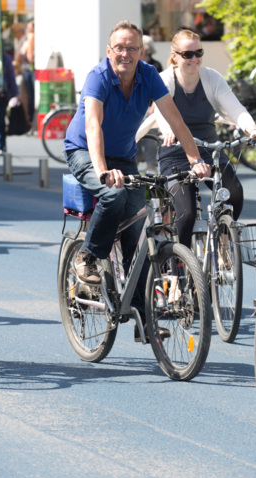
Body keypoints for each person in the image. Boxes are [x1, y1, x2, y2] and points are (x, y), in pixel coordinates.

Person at [62, 21, 210, 336]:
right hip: (85, 151)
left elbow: (176, 120)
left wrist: (195, 159)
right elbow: (92, 126)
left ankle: (145, 320)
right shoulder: (98, 77)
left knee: (139, 230)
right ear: (109, 51)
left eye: (132, 48)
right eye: (120, 47)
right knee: (113, 196)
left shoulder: (149, 76)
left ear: (141, 52)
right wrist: (102, 169)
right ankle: (88, 256)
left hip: (125, 157)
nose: (125, 53)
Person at [148, 28, 256, 248]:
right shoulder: (164, 80)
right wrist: (169, 129)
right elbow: (161, 112)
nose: (194, 59)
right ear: (174, 56)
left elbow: (235, 108)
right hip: (176, 153)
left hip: (209, 149)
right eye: (187, 54)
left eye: (198, 53)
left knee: (235, 194)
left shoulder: (211, 78)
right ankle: (181, 266)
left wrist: (251, 128)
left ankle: (223, 237)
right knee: (186, 213)